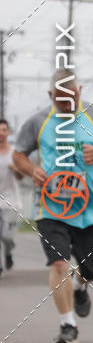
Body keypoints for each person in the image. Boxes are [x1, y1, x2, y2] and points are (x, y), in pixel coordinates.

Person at [13, 70, 93, 343]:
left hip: (91, 211)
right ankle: (68, 324)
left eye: (72, 98)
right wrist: (32, 170)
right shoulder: (39, 121)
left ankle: (80, 285)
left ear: (80, 90)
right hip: (52, 208)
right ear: (51, 96)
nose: (67, 105)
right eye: (61, 101)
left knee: (90, 268)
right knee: (59, 263)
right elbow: (18, 154)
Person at [0, 118, 23, 276]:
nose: (1, 133)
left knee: (6, 236)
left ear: (8, 132)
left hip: (11, 201)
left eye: (3, 130)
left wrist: (16, 169)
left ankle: (8, 253)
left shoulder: (14, 153)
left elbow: (22, 176)